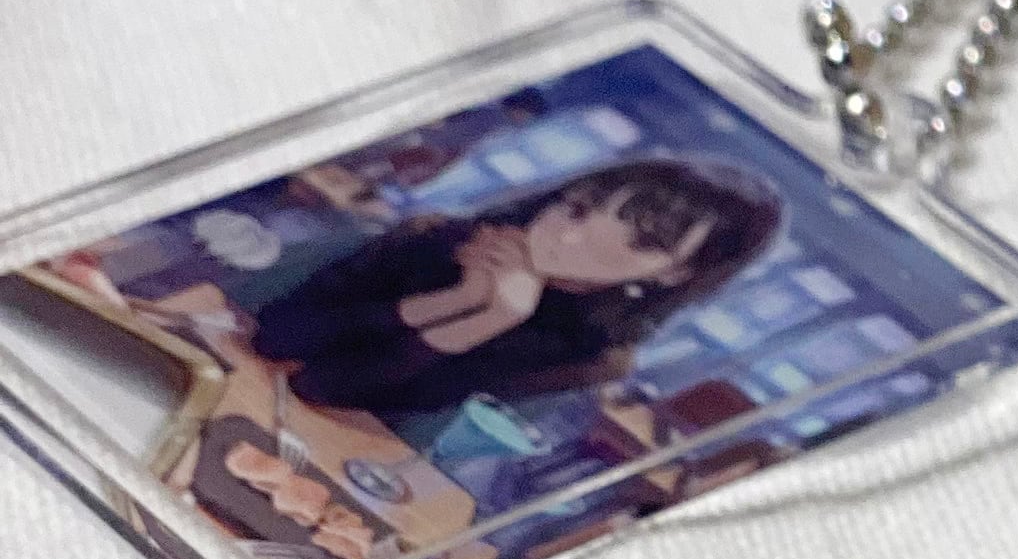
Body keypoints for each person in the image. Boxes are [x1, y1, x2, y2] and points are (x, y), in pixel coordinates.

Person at [241, 157, 780, 418]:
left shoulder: (592, 354)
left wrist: (492, 319)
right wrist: (458, 300)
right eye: (578, 208)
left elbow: (328, 389)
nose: (571, 236)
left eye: (640, 242)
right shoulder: (443, 236)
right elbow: (276, 338)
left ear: (673, 275)